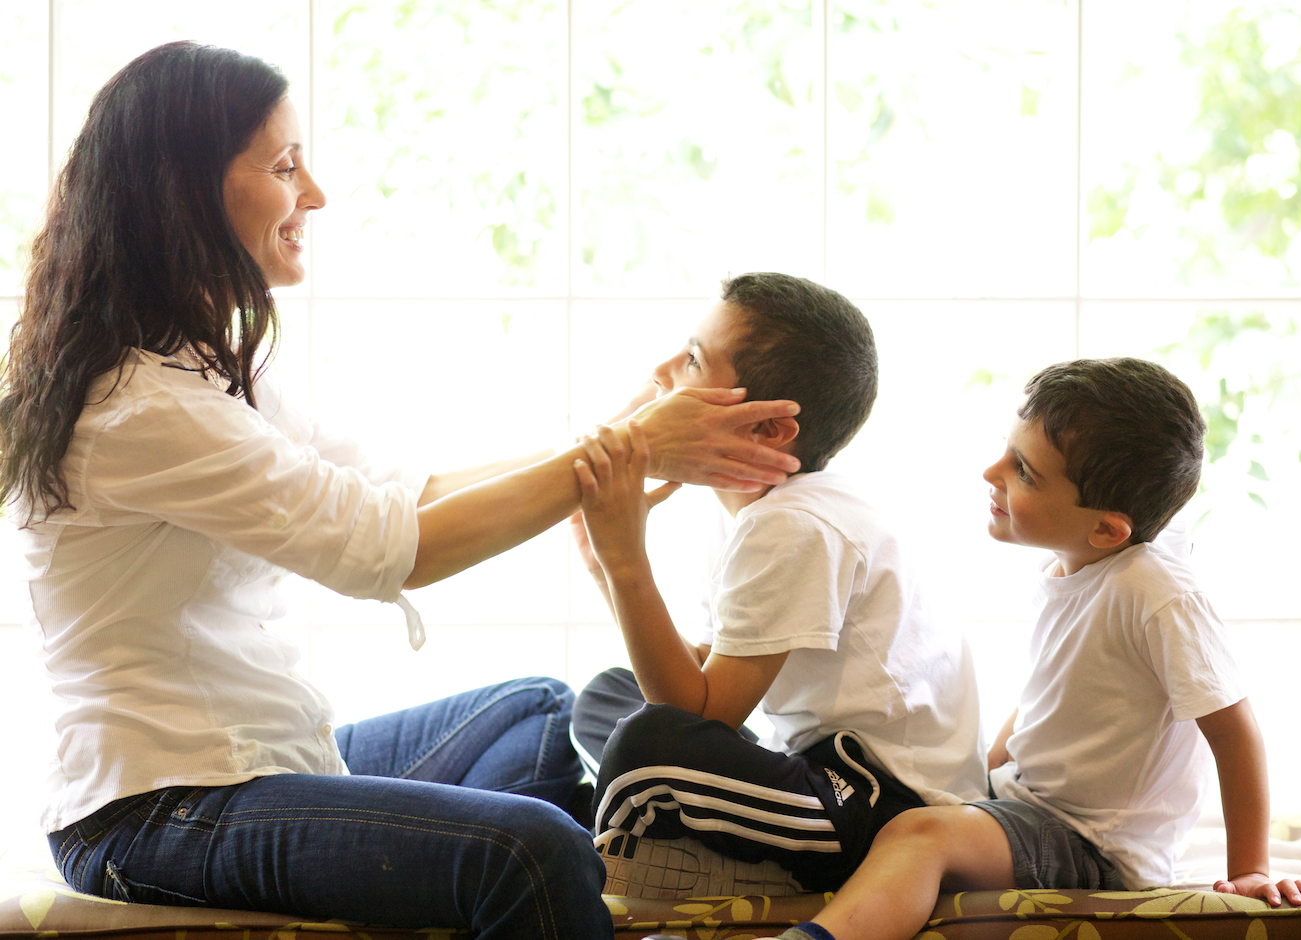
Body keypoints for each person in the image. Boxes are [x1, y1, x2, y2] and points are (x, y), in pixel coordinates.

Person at [0, 42, 803, 940]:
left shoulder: (206, 370)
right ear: (181, 189)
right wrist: (624, 451)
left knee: (538, 713)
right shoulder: (136, 408)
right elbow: (394, 549)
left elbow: (402, 492)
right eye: (284, 166)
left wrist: (617, 448)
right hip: (153, 810)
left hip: (261, 760)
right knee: (528, 849)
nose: (315, 193)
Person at [759, 358, 1301, 940]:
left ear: (1107, 529)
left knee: (918, 836)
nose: (991, 470)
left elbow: (1234, 731)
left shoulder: (1156, 589)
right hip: (1031, 806)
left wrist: (1251, 870)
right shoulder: (1073, 563)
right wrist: (986, 768)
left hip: (1095, 843)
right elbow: (1057, 691)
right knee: (885, 811)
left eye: (1024, 471)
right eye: (1007, 450)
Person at [567, 273, 988, 898]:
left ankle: (669, 857)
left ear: (767, 429)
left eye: (690, 360)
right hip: (812, 768)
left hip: (877, 805)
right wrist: (606, 569)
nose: (660, 371)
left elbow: (695, 713)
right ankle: (688, 844)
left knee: (648, 745)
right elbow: (704, 676)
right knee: (611, 695)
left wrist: (627, 559)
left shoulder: (795, 522)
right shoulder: (753, 505)